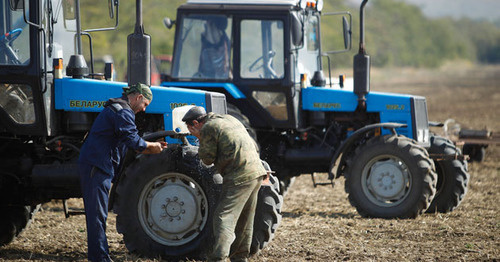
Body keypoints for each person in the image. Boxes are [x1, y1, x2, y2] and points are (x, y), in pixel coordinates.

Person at [78, 83, 167, 262]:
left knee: (99, 214)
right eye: (145, 105)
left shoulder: (117, 108)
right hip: (97, 166)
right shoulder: (123, 112)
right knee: (97, 215)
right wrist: (154, 147)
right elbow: (135, 143)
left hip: (100, 165)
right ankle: (99, 258)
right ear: (139, 97)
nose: (143, 109)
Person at [182, 106, 267, 262]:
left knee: (223, 217)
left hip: (239, 175)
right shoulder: (228, 119)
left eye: (190, 128)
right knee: (245, 218)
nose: (190, 131)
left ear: (195, 123)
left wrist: (199, 139)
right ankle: (240, 257)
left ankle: (218, 258)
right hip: (256, 172)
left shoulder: (208, 127)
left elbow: (207, 159)